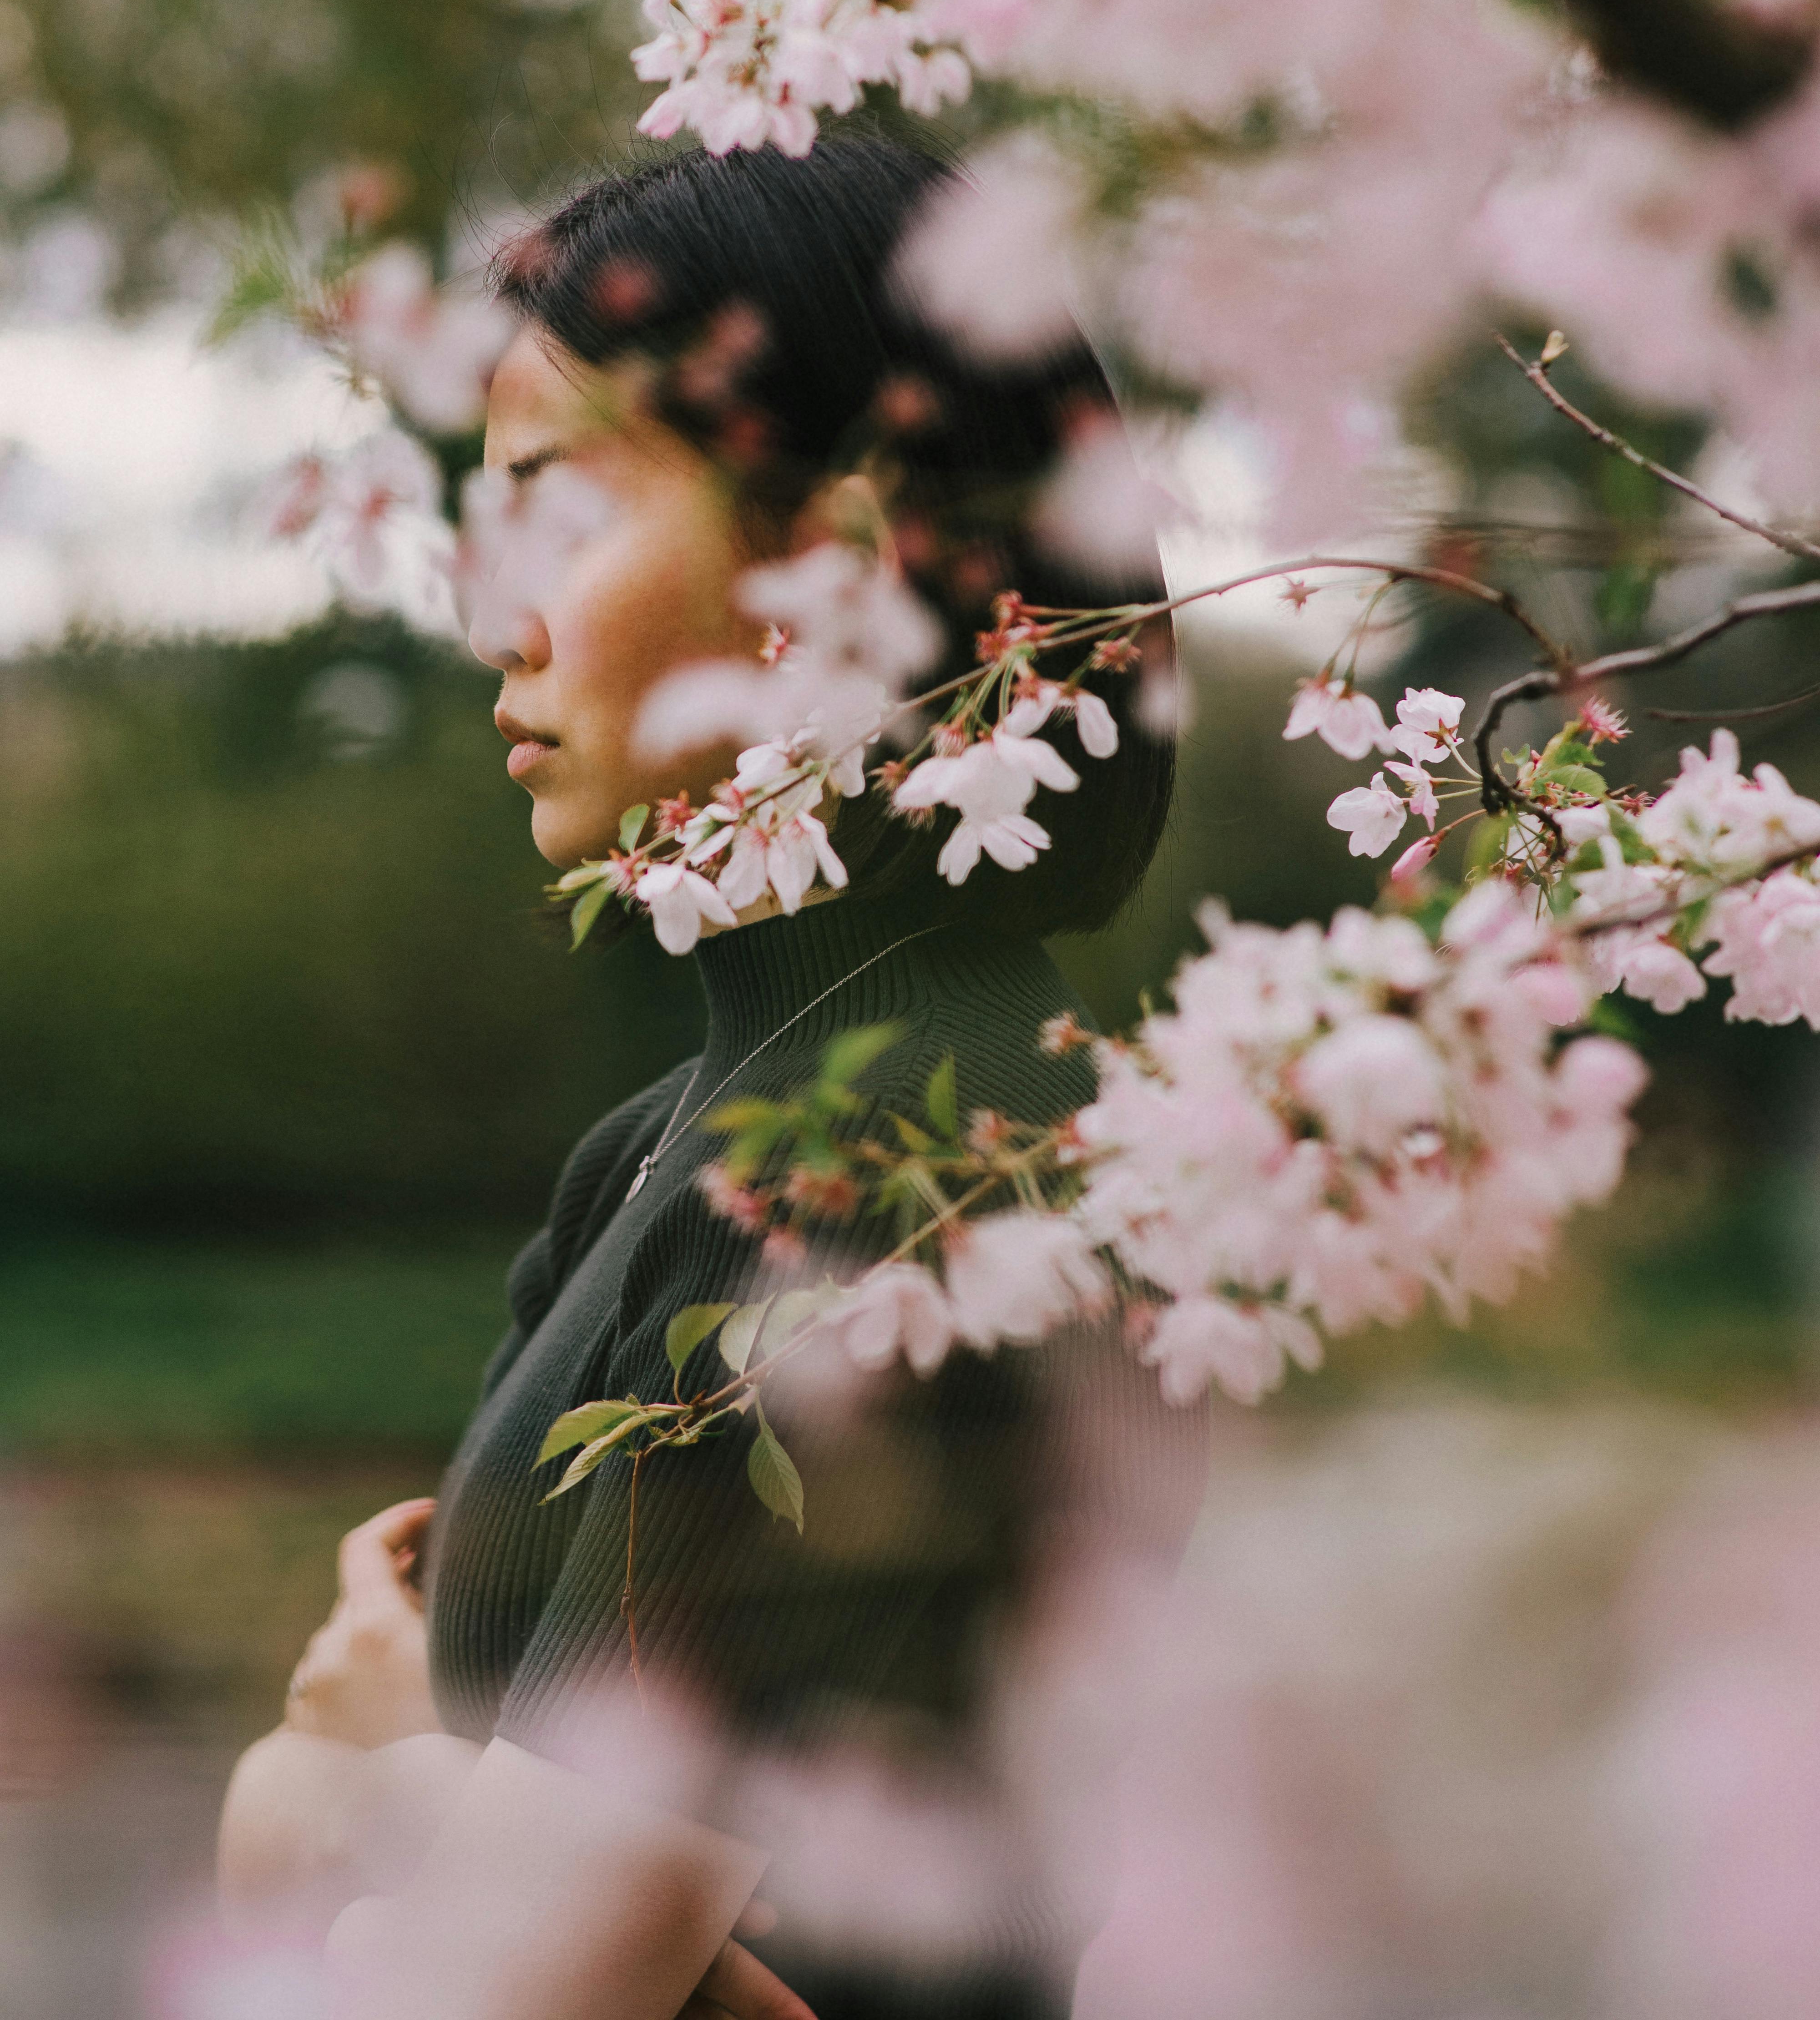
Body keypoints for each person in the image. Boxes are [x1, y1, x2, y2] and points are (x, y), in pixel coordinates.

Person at [218, 133, 1201, 2020]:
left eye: (552, 510)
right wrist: (362, 1809)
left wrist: (379, 1769)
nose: (486, 623)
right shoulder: (664, 1152)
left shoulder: (906, 1161)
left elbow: (493, 1984)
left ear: (839, 554)